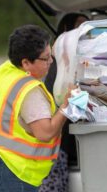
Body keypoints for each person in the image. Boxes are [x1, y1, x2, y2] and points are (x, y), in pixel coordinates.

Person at [0, 24, 72, 192]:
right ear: (26, 62)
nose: (51, 62)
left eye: (51, 55)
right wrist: (67, 104)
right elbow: (45, 133)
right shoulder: (30, 91)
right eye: (46, 58)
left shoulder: (5, 71)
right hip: (13, 172)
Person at [39, 13, 89, 192]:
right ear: (66, 32)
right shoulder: (54, 64)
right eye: (79, 27)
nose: (83, 32)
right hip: (58, 145)